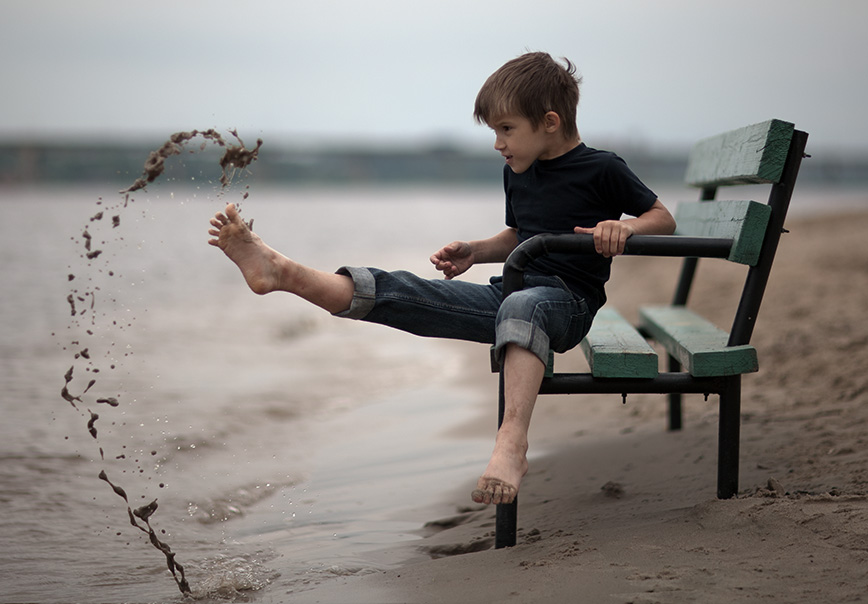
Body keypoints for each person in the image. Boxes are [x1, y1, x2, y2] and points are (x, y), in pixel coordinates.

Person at [207, 52, 676, 506]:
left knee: (523, 305)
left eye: (507, 129)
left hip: (567, 305)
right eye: (495, 132)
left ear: (550, 122)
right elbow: (521, 233)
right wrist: (478, 250)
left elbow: (662, 217)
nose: (498, 143)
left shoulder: (603, 168)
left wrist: (626, 227)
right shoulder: (519, 170)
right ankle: (283, 272)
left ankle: (511, 444)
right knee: (407, 292)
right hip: (511, 292)